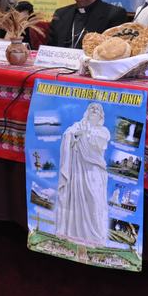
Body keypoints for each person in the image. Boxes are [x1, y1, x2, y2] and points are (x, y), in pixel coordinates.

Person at [55, 103, 111, 246]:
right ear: (87, 111)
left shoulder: (103, 131)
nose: (94, 110)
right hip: (78, 169)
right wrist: (75, 135)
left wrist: (85, 133)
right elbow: (68, 134)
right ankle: (75, 235)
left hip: (95, 169)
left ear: (101, 115)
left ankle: (95, 238)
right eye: (92, 107)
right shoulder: (77, 126)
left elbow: (99, 144)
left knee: (94, 200)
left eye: (97, 109)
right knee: (77, 199)